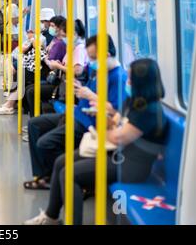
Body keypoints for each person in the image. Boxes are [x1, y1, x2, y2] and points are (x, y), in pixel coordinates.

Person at [25, 58, 168, 225]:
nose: (127, 82)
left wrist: (101, 126)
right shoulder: (134, 101)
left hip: (130, 165)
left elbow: (117, 137)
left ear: (142, 82)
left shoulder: (149, 111)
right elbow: (115, 122)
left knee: (69, 174)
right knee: (60, 162)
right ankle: (51, 216)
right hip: (116, 153)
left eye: (131, 79)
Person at [24, 35, 127, 190]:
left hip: (89, 125)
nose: (91, 62)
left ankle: (55, 178)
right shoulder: (99, 71)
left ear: (105, 55)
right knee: (34, 124)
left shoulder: (118, 77)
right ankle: (44, 175)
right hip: (77, 114)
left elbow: (115, 111)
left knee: (45, 143)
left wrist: (90, 96)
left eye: (93, 58)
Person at [24, 19, 88, 120]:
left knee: (32, 91)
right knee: (29, 89)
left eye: (64, 36)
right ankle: (36, 119)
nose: (63, 39)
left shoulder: (79, 49)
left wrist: (58, 66)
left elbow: (77, 71)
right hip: (62, 82)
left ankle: (37, 120)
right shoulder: (72, 47)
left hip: (68, 86)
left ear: (73, 34)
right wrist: (60, 64)